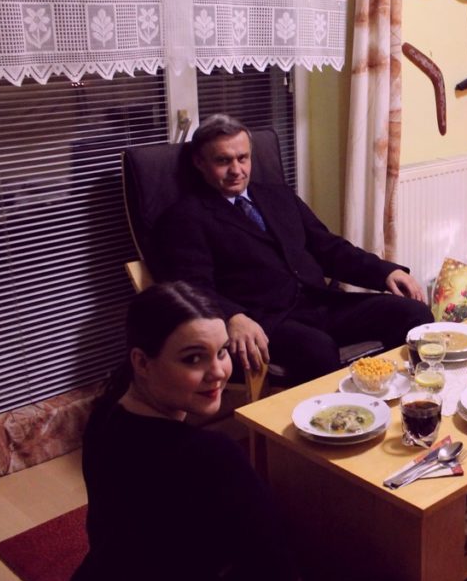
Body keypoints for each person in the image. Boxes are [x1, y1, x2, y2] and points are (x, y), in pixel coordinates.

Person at [60, 282, 299, 581]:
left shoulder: (105, 414)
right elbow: (276, 575)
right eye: (193, 359)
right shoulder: (209, 455)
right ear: (142, 362)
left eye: (222, 352)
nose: (218, 372)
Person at [152, 114, 433, 384]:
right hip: (265, 321)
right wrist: (232, 317)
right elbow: (192, 287)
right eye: (223, 161)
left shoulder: (278, 196)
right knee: (317, 349)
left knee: (414, 314)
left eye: (242, 158)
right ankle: (335, 414)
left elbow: (329, 248)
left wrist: (385, 272)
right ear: (200, 162)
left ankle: (405, 397)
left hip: (321, 303)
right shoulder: (185, 218)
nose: (236, 170)